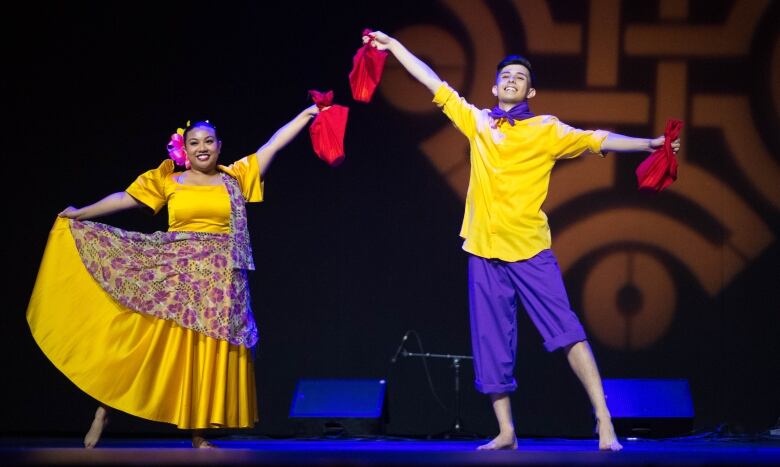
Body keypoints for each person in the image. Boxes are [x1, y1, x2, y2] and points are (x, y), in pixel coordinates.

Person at [365, 31, 681, 451]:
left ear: (530, 90)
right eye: (506, 76)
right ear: (495, 87)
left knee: (566, 330)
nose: (512, 80)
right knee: (491, 342)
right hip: (482, 249)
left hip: (530, 247)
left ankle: (604, 421)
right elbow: (431, 81)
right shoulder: (477, 121)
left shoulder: (546, 129)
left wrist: (648, 144)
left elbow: (596, 139)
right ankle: (506, 431)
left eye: (520, 77)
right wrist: (395, 47)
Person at [26, 104, 321, 448]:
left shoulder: (235, 178)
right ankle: (104, 411)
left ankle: (199, 435)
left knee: (204, 355)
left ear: (219, 145)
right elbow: (126, 198)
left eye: (208, 141)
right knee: (148, 346)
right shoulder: (169, 180)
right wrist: (82, 212)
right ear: (185, 148)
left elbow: (272, 146)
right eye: (194, 142)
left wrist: (306, 115)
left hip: (220, 283)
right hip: (174, 277)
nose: (202, 148)